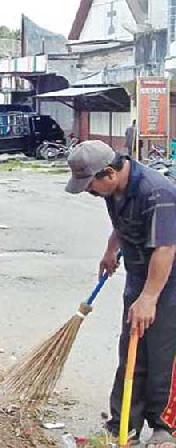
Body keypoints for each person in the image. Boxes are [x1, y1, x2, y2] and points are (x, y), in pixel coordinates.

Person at [65, 140, 176, 447]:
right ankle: (123, 422)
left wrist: (150, 298)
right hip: (140, 272)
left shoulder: (158, 192)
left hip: (169, 278)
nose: (89, 191)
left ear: (109, 173)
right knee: (131, 346)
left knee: (162, 350)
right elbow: (123, 223)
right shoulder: (114, 189)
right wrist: (111, 249)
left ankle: (163, 424)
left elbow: (166, 248)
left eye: (90, 185)